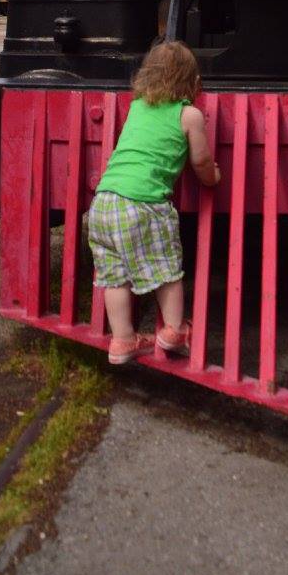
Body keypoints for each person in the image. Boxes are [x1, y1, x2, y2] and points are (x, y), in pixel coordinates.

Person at [87, 39, 219, 365]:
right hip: (142, 204)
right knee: (166, 270)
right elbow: (201, 162)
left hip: (104, 203)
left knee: (114, 277)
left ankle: (122, 340)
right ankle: (174, 330)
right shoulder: (190, 115)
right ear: (193, 82)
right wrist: (213, 176)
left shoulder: (138, 106)